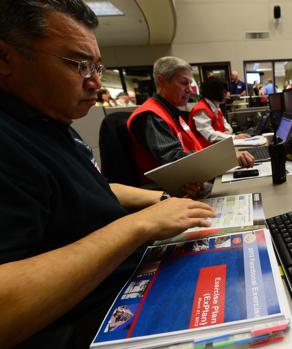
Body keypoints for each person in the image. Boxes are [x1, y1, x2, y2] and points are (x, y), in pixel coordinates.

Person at [0, 2, 216, 348]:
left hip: (128, 283)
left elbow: (94, 188)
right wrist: (139, 225)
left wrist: (162, 201)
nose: (96, 83)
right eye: (78, 64)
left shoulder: (52, 123)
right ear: (6, 58)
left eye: (96, 66)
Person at [127, 57, 254, 185]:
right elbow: (176, 162)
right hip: (169, 191)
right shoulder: (152, 115)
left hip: (194, 179)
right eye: (183, 83)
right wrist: (225, 157)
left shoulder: (173, 113)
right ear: (161, 81)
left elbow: (193, 150)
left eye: (190, 84)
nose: (189, 89)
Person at [188, 76, 251, 148]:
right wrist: (234, 137)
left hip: (217, 147)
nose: (227, 94)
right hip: (204, 152)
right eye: (224, 91)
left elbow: (228, 127)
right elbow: (210, 135)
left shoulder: (216, 106)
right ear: (215, 92)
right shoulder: (201, 110)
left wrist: (227, 134)